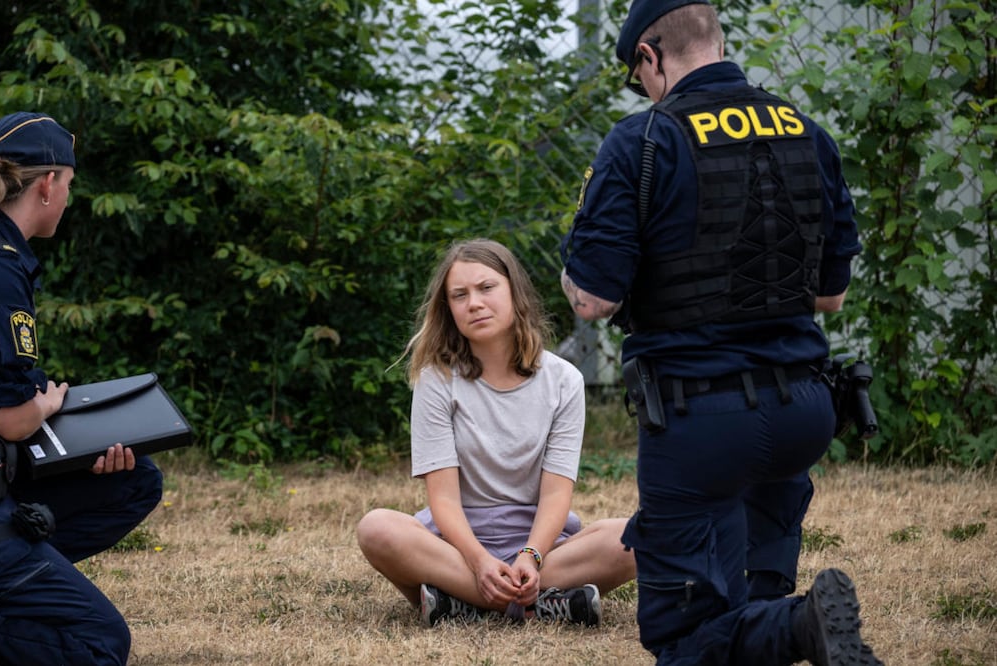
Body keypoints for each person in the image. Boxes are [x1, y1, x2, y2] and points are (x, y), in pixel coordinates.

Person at [559, 1, 883, 664]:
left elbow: (593, 299)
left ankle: (803, 626)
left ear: (649, 56)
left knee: (683, 638)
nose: (644, 90)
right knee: (748, 603)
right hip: (803, 412)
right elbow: (831, 294)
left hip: (699, 421)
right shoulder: (806, 132)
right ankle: (799, 624)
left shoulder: (642, 141)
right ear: (716, 40)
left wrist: (574, 271)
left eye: (639, 77)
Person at [0, 112, 164, 665]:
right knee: (100, 644)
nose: (67, 198)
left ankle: (0, 580)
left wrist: (74, 442)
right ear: (47, 184)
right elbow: (13, 419)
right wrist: (45, 402)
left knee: (135, 479)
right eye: (68, 184)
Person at [357, 238, 636, 627]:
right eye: (460, 295)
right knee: (377, 528)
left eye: (486, 287)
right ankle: (542, 605)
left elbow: (556, 493)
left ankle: (461, 604)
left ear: (515, 293)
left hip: (541, 549)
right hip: (455, 548)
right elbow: (443, 498)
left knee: (636, 537)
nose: (474, 303)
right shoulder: (436, 380)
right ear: (448, 308)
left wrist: (531, 556)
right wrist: (479, 561)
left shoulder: (564, 380)